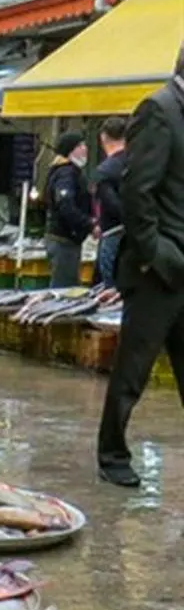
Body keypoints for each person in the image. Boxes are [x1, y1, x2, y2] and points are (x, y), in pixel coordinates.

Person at [96, 45, 184, 488]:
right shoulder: (159, 109)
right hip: (157, 271)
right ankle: (112, 453)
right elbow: (138, 193)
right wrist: (160, 256)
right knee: (133, 369)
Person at [44, 131, 93, 288]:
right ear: (70, 150)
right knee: (64, 290)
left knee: (69, 285)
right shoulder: (66, 173)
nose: (85, 148)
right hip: (64, 240)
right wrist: (88, 223)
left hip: (66, 239)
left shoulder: (65, 171)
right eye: (80, 145)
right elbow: (65, 204)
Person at [94, 117, 128, 288]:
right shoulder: (141, 164)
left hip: (113, 234)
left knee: (111, 289)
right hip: (141, 235)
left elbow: (112, 205)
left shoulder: (104, 171)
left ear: (103, 138)